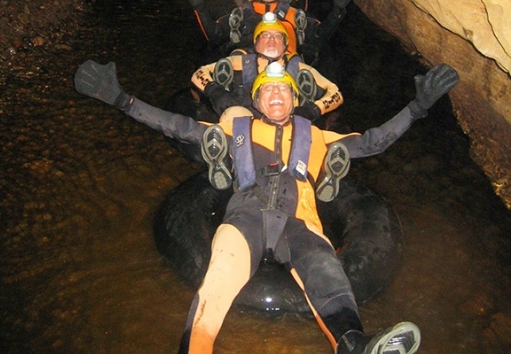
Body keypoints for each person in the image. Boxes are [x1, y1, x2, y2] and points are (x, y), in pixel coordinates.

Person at [74, 57, 459, 353]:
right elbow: (177, 126)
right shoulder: (235, 130)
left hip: (299, 224)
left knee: (326, 269)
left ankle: (357, 345)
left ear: (294, 98)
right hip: (246, 220)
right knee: (218, 279)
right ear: (257, 100)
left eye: (284, 90)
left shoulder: (318, 137)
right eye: (268, 91)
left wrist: (416, 108)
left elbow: (374, 141)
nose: (277, 95)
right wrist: (122, 100)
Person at [192, 12, 343, 122]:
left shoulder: (299, 67)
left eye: (278, 36)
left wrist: (313, 110)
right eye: (265, 36)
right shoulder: (240, 62)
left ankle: (304, 98)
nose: (272, 40)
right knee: (233, 113)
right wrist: (216, 92)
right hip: (244, 122)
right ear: (256, 43)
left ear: (285, 45)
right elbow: (199, 73)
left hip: (287, 122)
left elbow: (336, 93)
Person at [182, 0, 356, 63]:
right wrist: (200, 7)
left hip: (287, 66)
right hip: (244, 65)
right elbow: (215, 36)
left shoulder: (294, 14)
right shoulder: (241, 14)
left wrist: (337, 11)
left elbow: (319, 37)